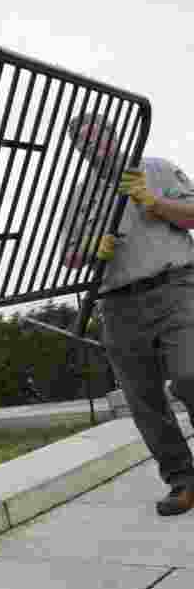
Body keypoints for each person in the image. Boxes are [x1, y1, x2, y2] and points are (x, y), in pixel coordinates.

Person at [64, 111, 194, 516]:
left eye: (95, 137)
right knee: (144, 401)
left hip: (175, 288)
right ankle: (182, 480)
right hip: (118, 304)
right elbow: (68, 254)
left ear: (114, 134)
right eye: (82, 142)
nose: (91, 146)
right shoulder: (81, 194)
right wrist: (89, 250)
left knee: (190, 375)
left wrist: (154, 203)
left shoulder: (156, 169)